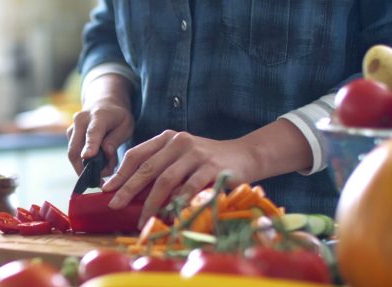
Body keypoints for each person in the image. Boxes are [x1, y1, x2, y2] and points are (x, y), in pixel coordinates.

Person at [67, 1, 392, 228]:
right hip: (141, 242)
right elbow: (108, 30)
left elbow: (385, 74)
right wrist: (107, 95)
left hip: (305, 242)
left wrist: (252, 153)